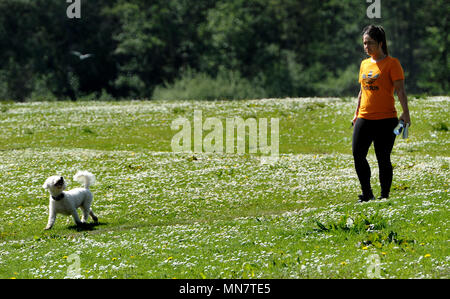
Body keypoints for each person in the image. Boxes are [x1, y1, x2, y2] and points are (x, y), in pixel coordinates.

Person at [352, 25, 411, 202]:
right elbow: (362, 91)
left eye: (370, 43)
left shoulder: (392, 64)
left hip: (386, 120)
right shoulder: (364, 64)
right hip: (364, 117)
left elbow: (400, 91)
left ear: (381, 43)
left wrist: (406, 113)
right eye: (364, 43)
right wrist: (356, 114)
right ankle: (367, 193)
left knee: (383, 157)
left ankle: (384, 195)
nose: (366, 47)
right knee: (358, 155)